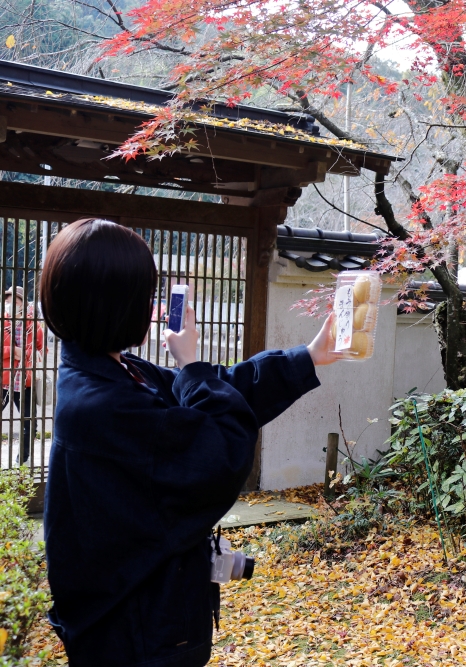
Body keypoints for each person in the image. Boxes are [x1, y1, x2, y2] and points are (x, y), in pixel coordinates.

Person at [42, 219, 339, 667]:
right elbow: (217, 446)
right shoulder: (101, 405)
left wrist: (308, 357)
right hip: (134, 634)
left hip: (146, 620)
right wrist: (193, 362)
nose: (153, 307)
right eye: (145, 296)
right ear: (114, 303)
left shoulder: (113, 373)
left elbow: (220, 391)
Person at [2, 285, 45, 465]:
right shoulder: (2, 321)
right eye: (8, 301)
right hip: (3, 379)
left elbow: (41, 350)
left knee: (30, 422)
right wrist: (15, 350)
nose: (11, 304)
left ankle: (23, 460)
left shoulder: (33, 324)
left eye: (15, 301)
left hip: (25, 380)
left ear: (23, 304)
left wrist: (25, 354)